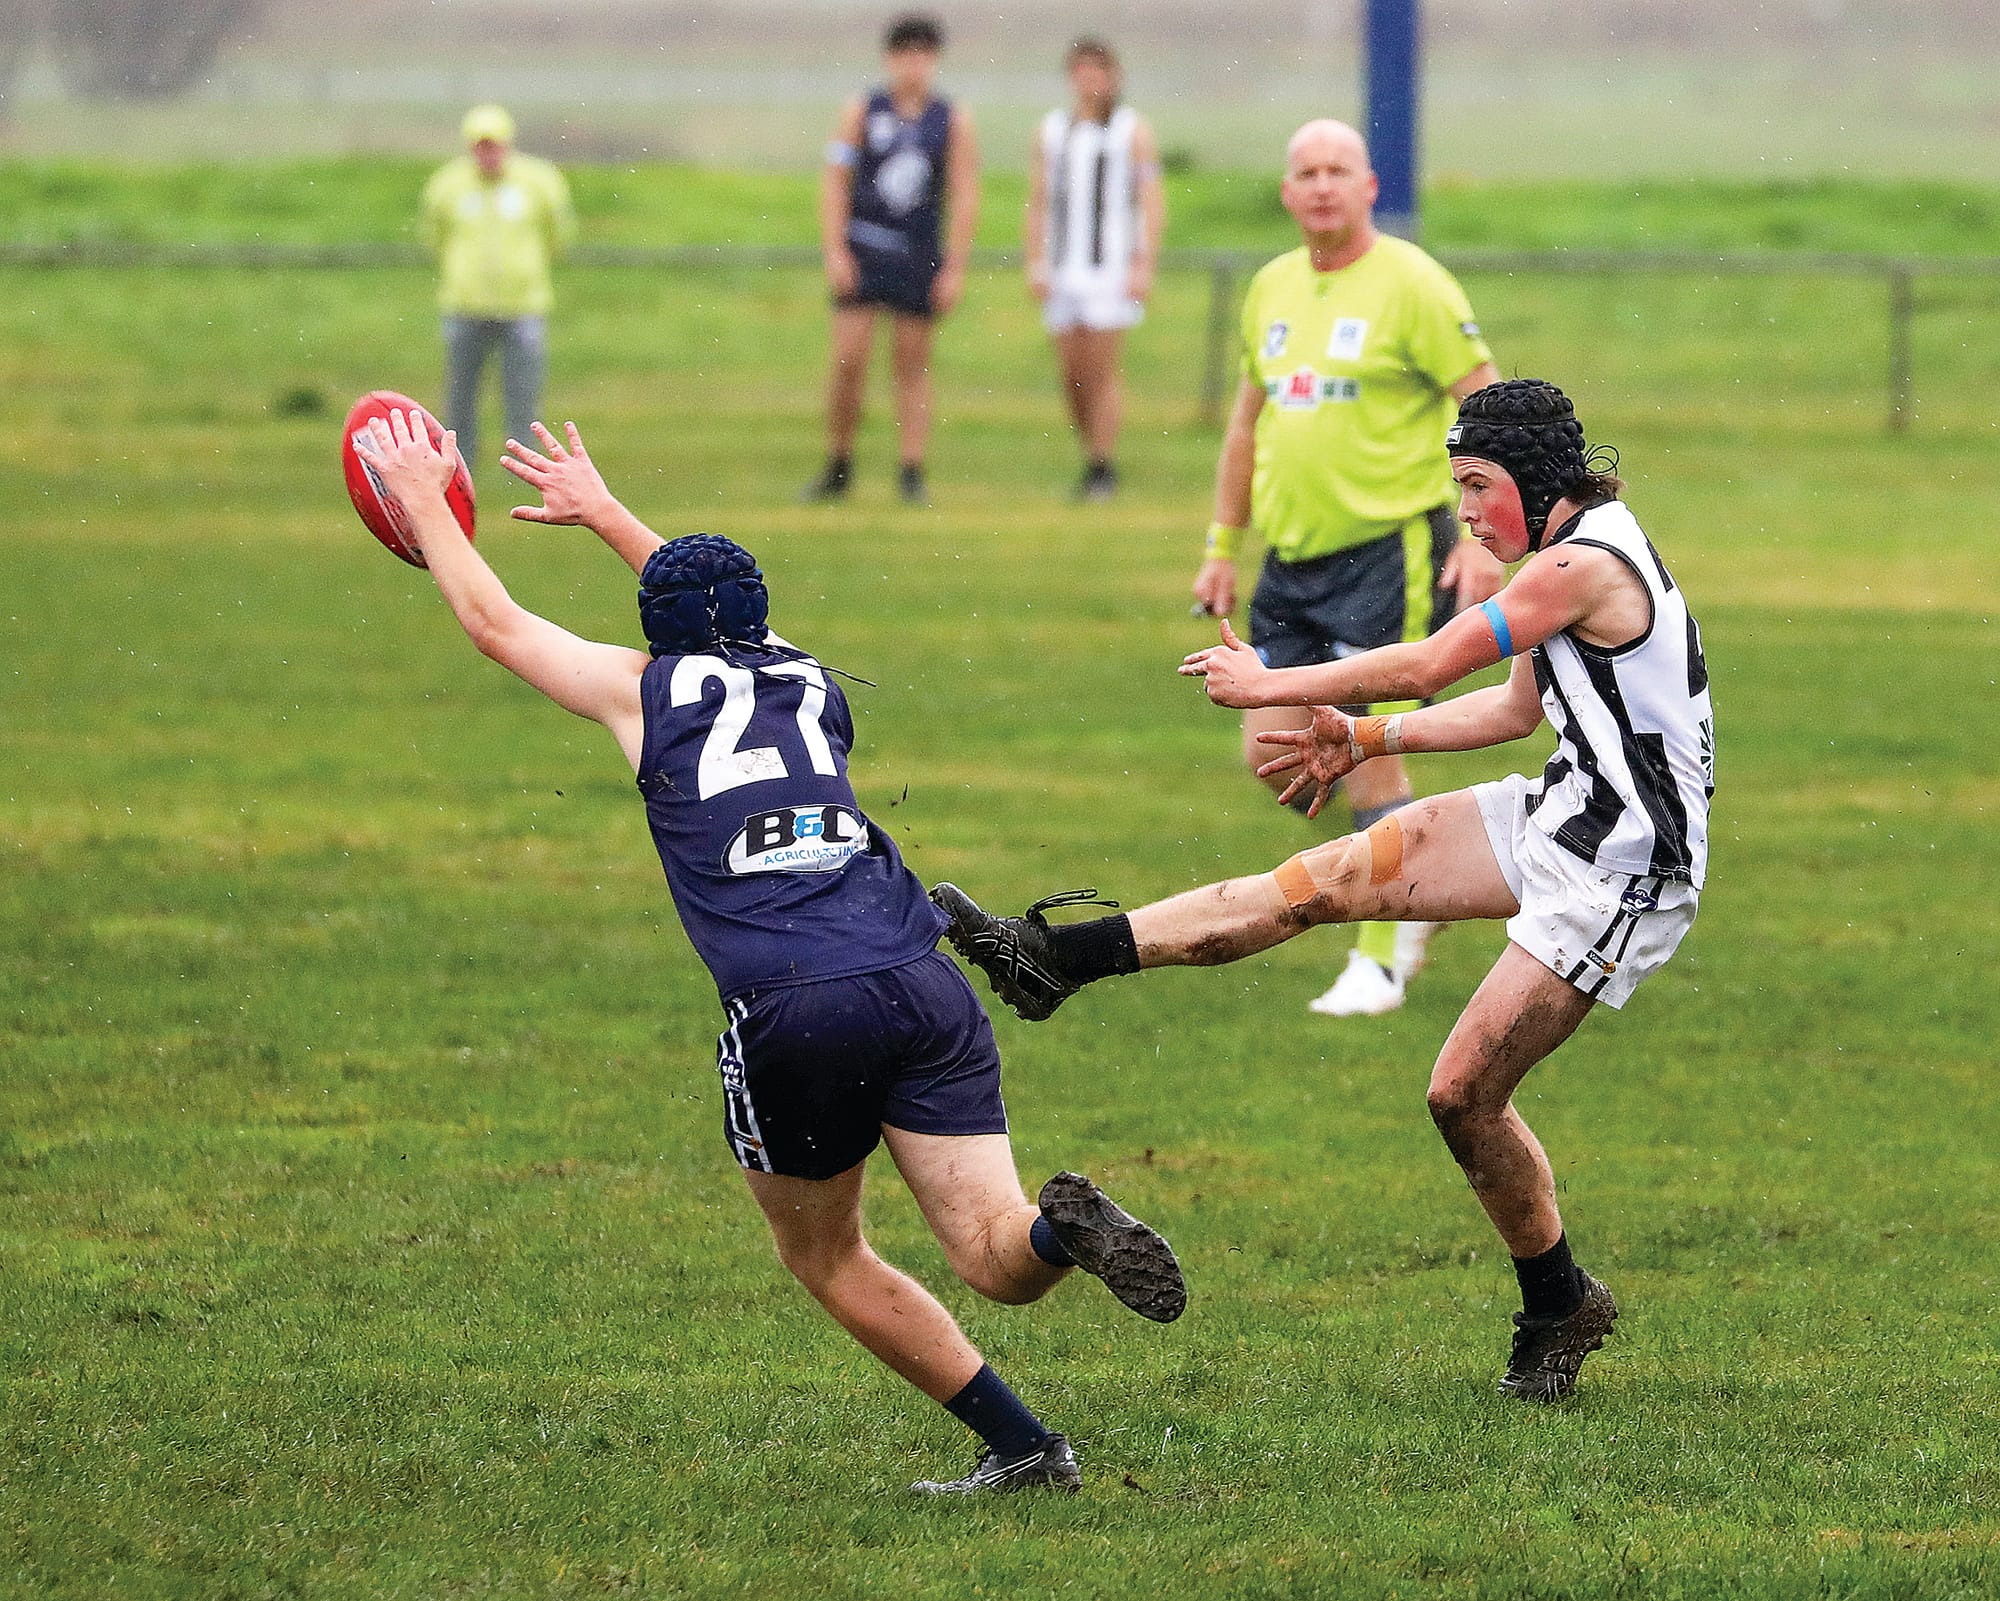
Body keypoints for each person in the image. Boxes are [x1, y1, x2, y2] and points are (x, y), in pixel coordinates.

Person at [348, 407, 1185, 1496]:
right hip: (918, 975)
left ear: (655, 635)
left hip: (796, 1006)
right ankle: (1061, 1239)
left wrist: (423, 507)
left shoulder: (643, 693)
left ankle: (1022, 1442)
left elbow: (497, 623)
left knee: (826, 1256)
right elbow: (716, 616)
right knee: (994, 1253)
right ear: (761, 615)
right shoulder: (808, 678)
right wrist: (607, 514)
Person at [935, 379, 1715, 1403]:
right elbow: (1517, 709)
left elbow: (1435, 662)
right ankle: (1052, 959)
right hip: (1562, 812)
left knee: (1461, 1095)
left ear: (1533, 479)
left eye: (1477, 488)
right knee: (1318, 881)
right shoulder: (1570, 558)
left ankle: (1557, 1300)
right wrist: (1361, 735)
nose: (1467, 514)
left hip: (1625, 864)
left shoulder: (1577, 564)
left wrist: (1271, 684)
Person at [1190, 118, 1506, 1019]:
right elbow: (1247, 426)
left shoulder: (1413, 283)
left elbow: (1487, 405)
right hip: (1289, 559)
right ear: (1287, 193)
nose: (1322, 185)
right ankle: (1422, 873)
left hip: (1389, 551)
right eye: (1306, 172)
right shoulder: (1271, 288)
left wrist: (1483, 542)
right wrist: (1222, 546)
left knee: (1366, 750)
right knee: (1276, 754)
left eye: (1340, 170)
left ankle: (1379, 955)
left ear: (1370, 186)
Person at [803, 13, 979, 507]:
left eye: (923, 54)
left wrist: (955, 265)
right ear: (889, 58)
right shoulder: (862, 111)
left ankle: (911, 469)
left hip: (918, 255)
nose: (913, 64)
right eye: (904, 54)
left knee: (912, 365)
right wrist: (835, 249)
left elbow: (965, 194)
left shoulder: (951, 119)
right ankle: (839, 462)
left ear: (935, 60)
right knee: (848, 360)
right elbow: (835, 181)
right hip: (865, 248)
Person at [1024, 36, 1165, 501]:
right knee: (1072, 373)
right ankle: (1091, 452)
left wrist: (1144, 261)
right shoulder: (1052, 131)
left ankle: (1102, 464)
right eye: (1081, 69)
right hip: (1064, 268)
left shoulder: (1131, 131)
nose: (1090, 79)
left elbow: (1150, 199)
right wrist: (1035, 260)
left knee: (1102, 370)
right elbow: (1039, 200)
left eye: (1098, 69)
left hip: (1110, 269)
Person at [419, 105, 576, 476]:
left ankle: (524, 465)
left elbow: (559, 233)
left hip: (522, 306)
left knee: (522, 394)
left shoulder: (539, 182)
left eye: (494, 144)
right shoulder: (448, 185)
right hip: (465, 306)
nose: (487, 153)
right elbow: (433, 236)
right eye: (480, 145)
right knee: (460, 395)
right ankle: (458, 464)